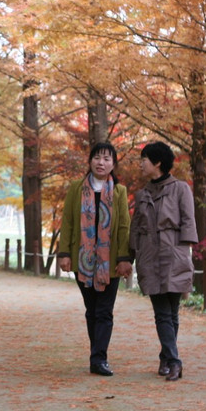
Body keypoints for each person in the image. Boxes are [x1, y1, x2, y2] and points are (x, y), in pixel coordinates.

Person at [57, 142, 132, 376]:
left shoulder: (119, 191)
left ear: (113, 163)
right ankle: (96, 354)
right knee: (92, 310)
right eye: (97, 158)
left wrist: (124, 258)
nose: (101, 163)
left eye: (107, 159)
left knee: (104, 311)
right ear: (90, 161)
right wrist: (64, 254)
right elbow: (68, 221)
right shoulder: (77, 188)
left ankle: (99, 358)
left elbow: (123, 227)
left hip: (110, 262)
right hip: (83, 259)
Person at [130, 141, 198, 382]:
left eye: (144, 159)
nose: (140, 163)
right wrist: (130, 255)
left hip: (174, 255)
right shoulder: (142, 194)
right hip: (149, 256)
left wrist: (183, 252)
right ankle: (174, 361)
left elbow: (189, 222)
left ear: (157, 162)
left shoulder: (180, 189)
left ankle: (166, 358)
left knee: (172, 312)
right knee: (162, 313)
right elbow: (135, 227)